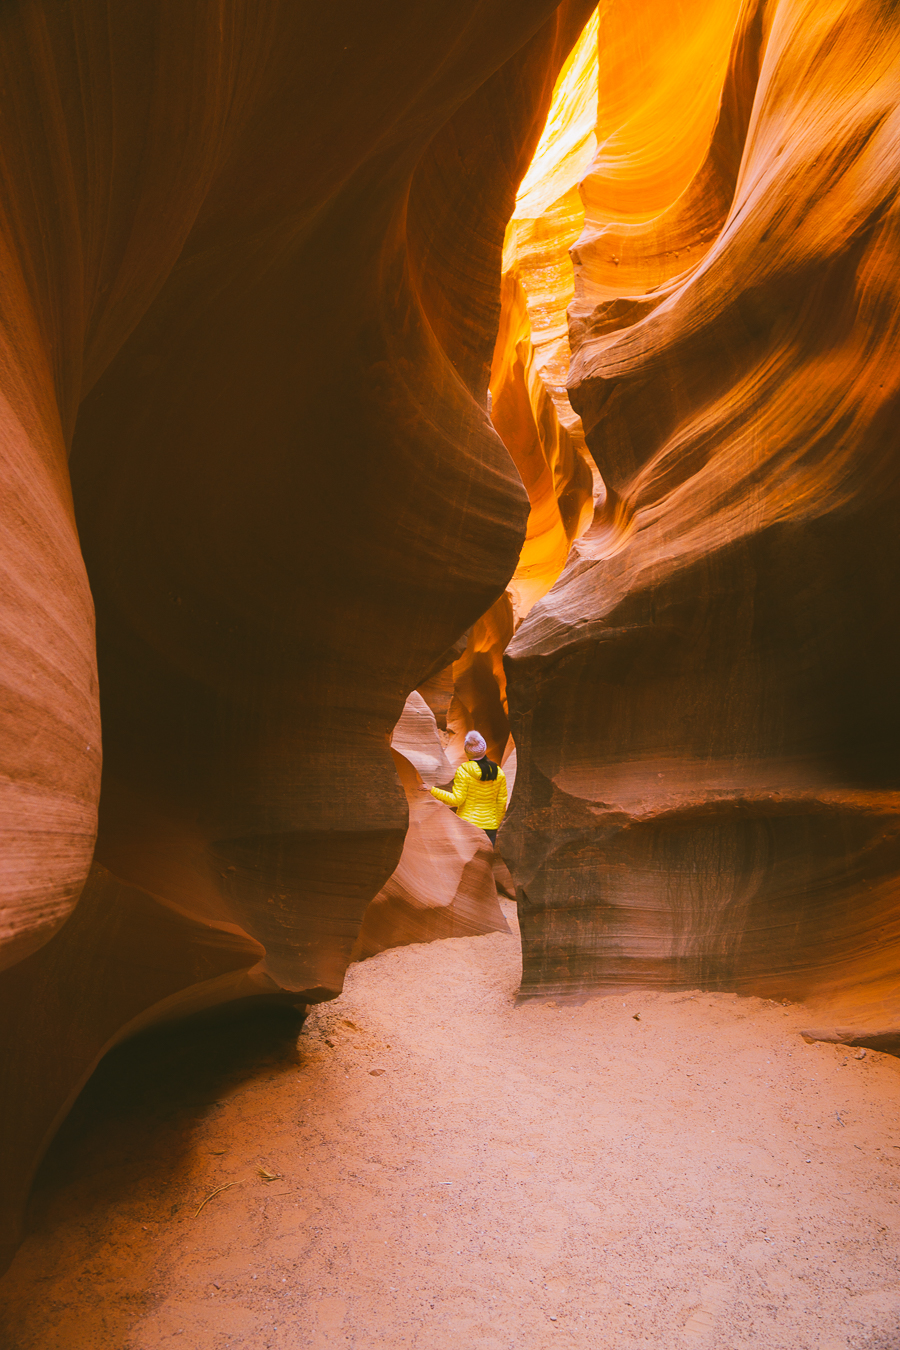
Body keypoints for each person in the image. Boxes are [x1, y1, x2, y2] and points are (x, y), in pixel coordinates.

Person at [428, 730, 507, 845]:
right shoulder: (498, 772)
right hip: (490, 827)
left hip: (468, 825)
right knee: (485, 862)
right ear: (484, 749)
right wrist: (496, 823)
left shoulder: (463, 771)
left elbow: (457, 800)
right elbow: (501, 802)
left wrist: (432, 790)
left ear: (466, 751)